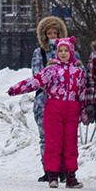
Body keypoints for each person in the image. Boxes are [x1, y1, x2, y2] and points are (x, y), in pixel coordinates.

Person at [8, 36, 86, 188]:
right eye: (60, 51)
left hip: (72, 109)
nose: (63, 53)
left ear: (71, 52)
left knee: (70, 144)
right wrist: (15, 89)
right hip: (54, 108)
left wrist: (83, 111)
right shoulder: (51, 70)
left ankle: (71, 176)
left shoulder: (78, 72)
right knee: (53, 142)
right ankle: (53, 175)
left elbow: (82, 92)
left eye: (66, 51)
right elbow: (34, 82)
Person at [30, 15, 67, 170]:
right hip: (44, 102)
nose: (53, 36)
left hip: (64, 102)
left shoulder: (69, 53)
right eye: (49, 33)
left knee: (63, 138)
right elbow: (38, 77)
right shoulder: (40, 53)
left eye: (55, 33)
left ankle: (63, 168)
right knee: (45, 137)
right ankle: (48, 167)